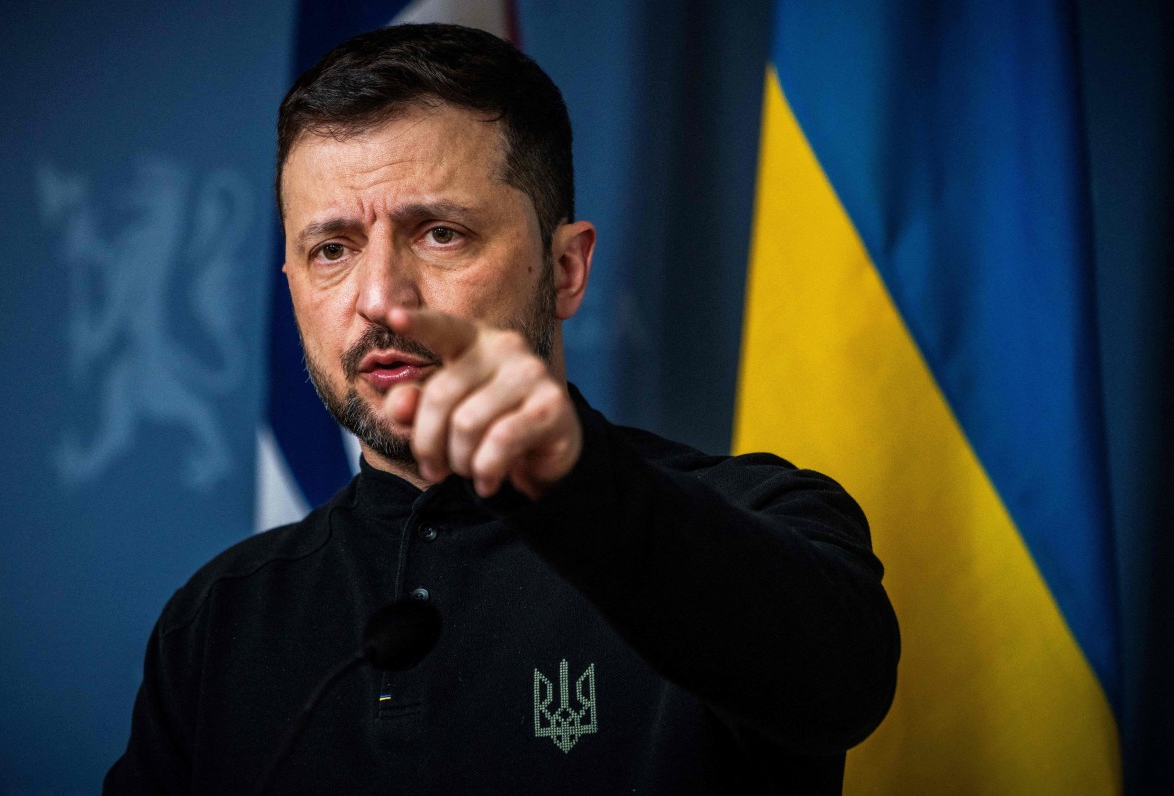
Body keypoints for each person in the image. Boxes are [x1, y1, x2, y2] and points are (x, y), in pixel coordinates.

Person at [106, 23, 898, 794]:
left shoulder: (762, 514)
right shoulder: (218, 620)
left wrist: (578, 483)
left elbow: (842, 685)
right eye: (333, 250)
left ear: (566, 269)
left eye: (440, 234)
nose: (379, 297)